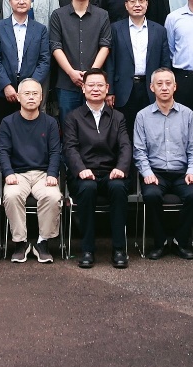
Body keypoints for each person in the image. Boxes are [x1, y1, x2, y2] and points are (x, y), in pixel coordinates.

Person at [63, 69, 132, 269]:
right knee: (87, 188)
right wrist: (81, 169)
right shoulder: (73, 117)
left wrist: (120, 168)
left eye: (100, 85)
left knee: (118, 188)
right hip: (84, 174)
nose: (95, 89)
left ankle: (119, 249)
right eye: (91, 85)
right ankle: (87, 249)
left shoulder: (117, 117)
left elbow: (125, 146)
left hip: (111, 172)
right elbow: (70, 148)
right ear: (83, 88)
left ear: (107, 88)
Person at [133, 68, 193, 260]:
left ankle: (181, 240)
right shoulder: (142, 116)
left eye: (168, 83)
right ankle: (160, 241)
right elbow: (139, 150)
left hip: (182, 172)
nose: (164, 87)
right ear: (152, 87)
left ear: (175, 86)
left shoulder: (187, 114)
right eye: (159, 84)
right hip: (155, 173)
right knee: (151, 195)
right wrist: (147, 172)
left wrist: (192, 171)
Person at [0, 79, 62, 263]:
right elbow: (3, 152)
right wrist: (8, 173)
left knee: (52, 196)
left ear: (41, 97)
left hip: (43, 174)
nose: (31, 97)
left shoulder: (50, 122)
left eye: (35, 94)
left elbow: (55, 152)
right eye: (27, 94)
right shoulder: (8, 122)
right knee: (12, 195)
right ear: (18, 97)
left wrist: (52, 174)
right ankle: (20, 242)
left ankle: (43, 242)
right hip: (18, 174)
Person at [106, 0, 171, 138]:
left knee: (152, 131)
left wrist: (164, 86)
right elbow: (110, 61)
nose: (137, 5)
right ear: (126, 5)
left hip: (150, 88)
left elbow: (165, 63)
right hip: (124, 89)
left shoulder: (159, 30)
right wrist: (110, 91)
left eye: (141, 1)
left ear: (147, 4)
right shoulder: (115, 29)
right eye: (132, 1)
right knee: (125, 133)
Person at [0, 0, 51, 129]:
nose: (21, 2)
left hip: (30, 94)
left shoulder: (40, 29)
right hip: (2, 92)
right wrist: (6, 85)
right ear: (10, 2)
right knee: (3, 131)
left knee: (29, 131)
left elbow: (44, 60)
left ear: (31, 1)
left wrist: (29, 87)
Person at [50, 0, 112, 114]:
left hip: (94, 85)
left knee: (94, 123)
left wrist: (91, 75)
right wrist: (71, 72)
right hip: (66, 82)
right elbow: (55, 46)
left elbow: (105, 45)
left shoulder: (102, 15)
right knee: (67, 123)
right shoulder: (58, 15)